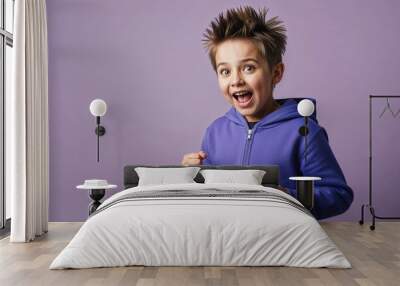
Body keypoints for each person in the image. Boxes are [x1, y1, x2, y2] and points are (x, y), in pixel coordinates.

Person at [181, 6, 353, 219]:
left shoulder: (304, 132)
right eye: (225, 71)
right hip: (225, 241)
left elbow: (339, 195)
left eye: (249, 68)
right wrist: (189, 177)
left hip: (283, 243)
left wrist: (287, 197)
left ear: (276, 73)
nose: (236, 80)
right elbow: (210, 195)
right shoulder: (215, 132)